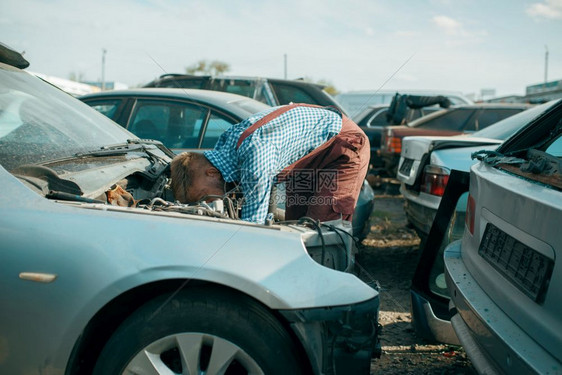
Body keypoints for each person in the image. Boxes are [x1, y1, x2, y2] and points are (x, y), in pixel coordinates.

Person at [170, 103, 369, 224]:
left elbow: (252, 228)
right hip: (308, 157)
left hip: (342, 145)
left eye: (206, 197)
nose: (208, 204)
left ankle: (331, 283)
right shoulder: (224, 148)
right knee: (295, 223)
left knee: (321, 225)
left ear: (212, 173)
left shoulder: (254, 161)